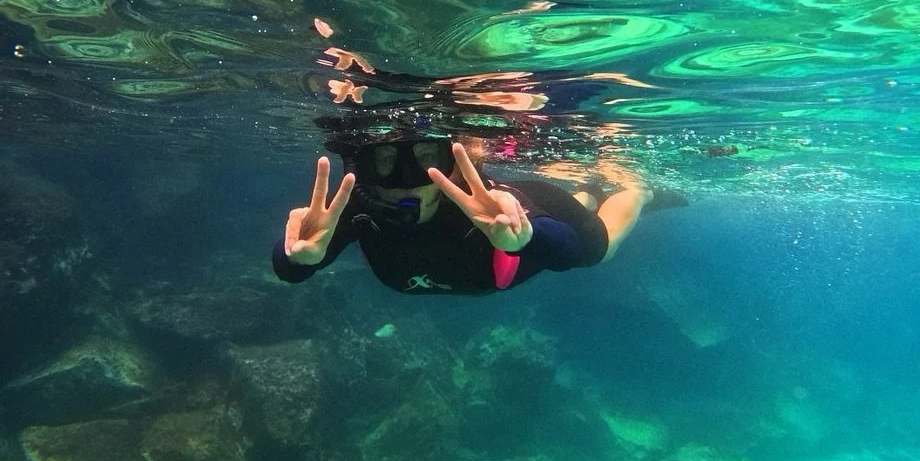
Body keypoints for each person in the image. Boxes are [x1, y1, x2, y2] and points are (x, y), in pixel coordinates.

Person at [273, 131, 654, 295]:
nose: (407, 180)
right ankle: (586, 195)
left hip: (538, 210)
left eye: (426, 158)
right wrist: (297, 256)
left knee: (599, 248)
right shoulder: (352, 210)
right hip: (504, 258)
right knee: (581, 212)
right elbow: (291, 270)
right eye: (384, 160)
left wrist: (528, 237)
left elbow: (573, 254)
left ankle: (638, 190)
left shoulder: (487, 205)